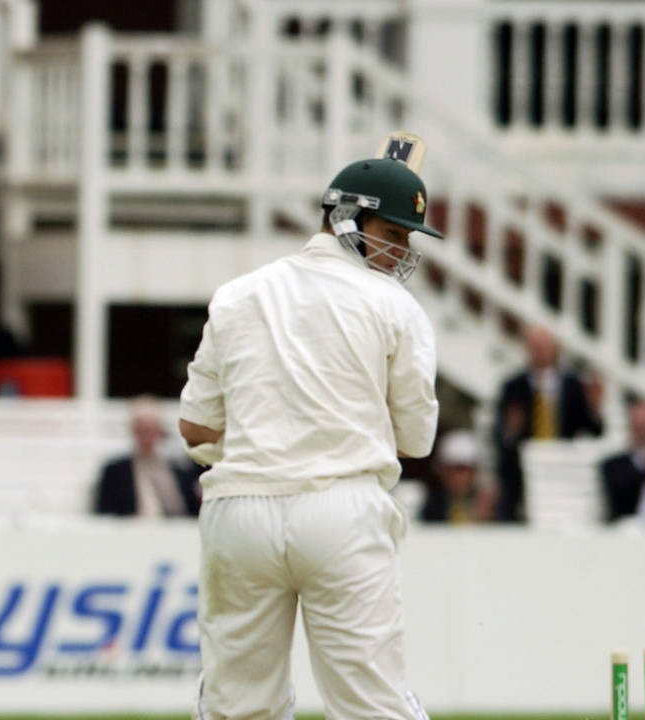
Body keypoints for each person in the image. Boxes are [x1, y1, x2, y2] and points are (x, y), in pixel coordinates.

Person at [179, 157, 439, 718]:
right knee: (372, 707)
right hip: (342, 513)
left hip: (240, 511)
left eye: (407, 238)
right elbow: (415, 439)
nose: (402, 251)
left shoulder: (237, 295)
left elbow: (195, 426)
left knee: (238, 708)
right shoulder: (395, 306)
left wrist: (265, 439)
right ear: (346, 218)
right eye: (393, 233)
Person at [492, 324, 604, 522]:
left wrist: (594, 409)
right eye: (535, 347)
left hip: (564, 463)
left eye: (544, 347)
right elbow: (501, 437)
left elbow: (594, 430)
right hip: (523, 465)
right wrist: (511, 429)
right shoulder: (513, 387)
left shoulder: (574, 385)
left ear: (556, 350)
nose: (540, 352)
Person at [93, 395, 202, 517]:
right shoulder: (115, 471)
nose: (147, 436)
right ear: (133, 430)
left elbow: (191, 512)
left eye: (151, 429)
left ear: (160, 431)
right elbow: (103, 512)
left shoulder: (180, 470)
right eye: (142, 429)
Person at [419, 430, 496, 524]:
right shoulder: (430, 503)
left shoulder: (491, 504)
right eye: (452, 470)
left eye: (463, 469)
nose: (458, 477)